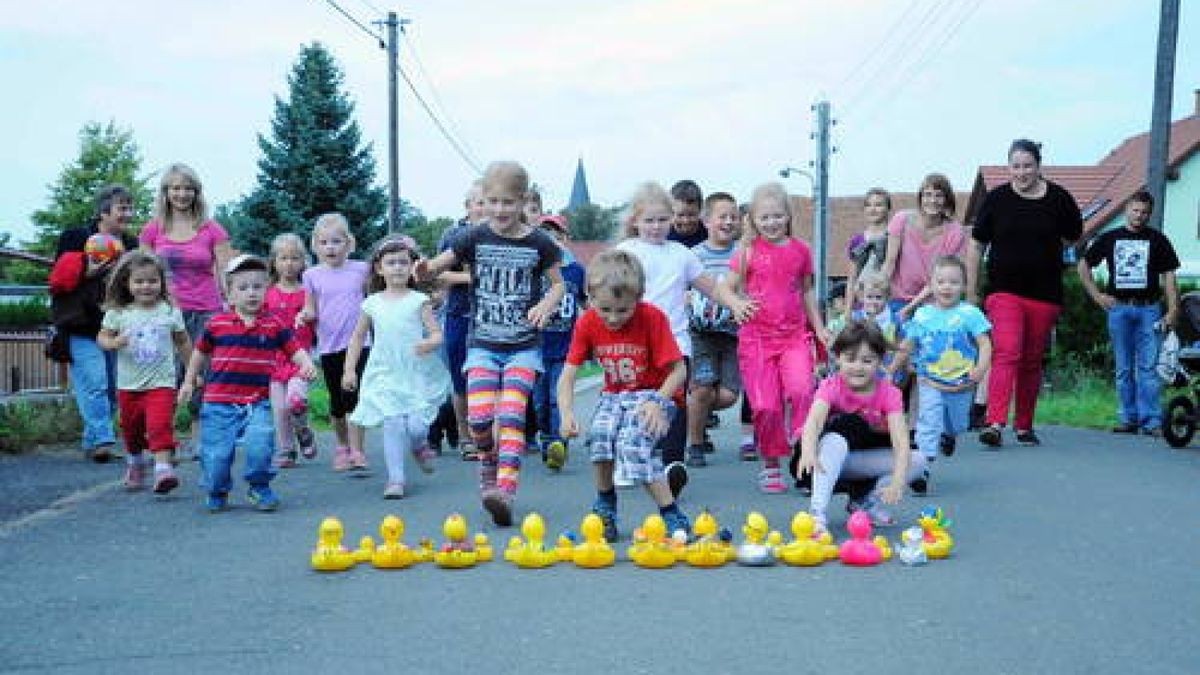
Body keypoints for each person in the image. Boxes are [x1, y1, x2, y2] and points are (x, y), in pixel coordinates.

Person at [415, 161, 565, 527]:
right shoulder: (474, 236)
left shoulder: (539, 243)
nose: (499, 210)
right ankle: (487, 463)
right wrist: (424, 270)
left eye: (508, 202)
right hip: (482, 344)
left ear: (523, 201)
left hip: (524, 347)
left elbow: (559, 284)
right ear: (482, 200)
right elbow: (439, 264)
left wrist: (546, 304)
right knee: (480, 418)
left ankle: (505, 492)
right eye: (492, 201)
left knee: (511, 417)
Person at [557, 249, 692, 542]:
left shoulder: (653, 318)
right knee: (600, 436)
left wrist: (658, 402)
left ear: (639, 298)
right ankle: (605, 505)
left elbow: (679, 371)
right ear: (590, 298)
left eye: (623, 310)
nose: (613, 318)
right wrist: (566, 413)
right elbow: (568, 374)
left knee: (633, 443)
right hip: (614, 396)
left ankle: (671, 513)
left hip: (654, 394)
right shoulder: (588, 322)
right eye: (604, 309)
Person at [615, 181, 729, 498]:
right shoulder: (626, 252)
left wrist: (734, 303)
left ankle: (672, 466)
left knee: (674, 402)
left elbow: (711, 287)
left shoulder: (682, 255)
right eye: (649, 220)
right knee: (632, 401)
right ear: (635, 221)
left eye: (662, 219)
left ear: (672, 220)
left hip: (675, 342)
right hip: (634, 342)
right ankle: (628, 459)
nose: (656, 226)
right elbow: (602, 288)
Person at [966, 139, 1083, 447]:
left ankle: (1024, 425)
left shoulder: (1059, 199)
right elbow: (977, 245)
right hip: (1004, 292)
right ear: (1009, 168)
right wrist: (971, 290)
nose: (1022, 172)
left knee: (1031, 360)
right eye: (1015, 166)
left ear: (1038, 166)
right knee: (1007, 352)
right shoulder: (996, 200)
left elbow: (1073, 237)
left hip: (1044, 295)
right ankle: (994, 422)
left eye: (1027, 166)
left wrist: (1046, 251)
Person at [179, 255, 316, 512]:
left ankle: (259, 486)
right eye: (242, 288)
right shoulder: (217, 324)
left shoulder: (273, 325)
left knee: (261, 444)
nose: (251, 293)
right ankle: (217, 489)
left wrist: (306, 364)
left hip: (257, 401)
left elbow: (294, 349)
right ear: (229, 295)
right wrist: (189, 381)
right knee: (217, 454)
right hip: (219, 402)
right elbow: (199, 353)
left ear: (267, 290)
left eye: (257, 287)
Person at [722, 182, 831, 494]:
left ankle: (801, 439)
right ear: (753, 220)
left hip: (794, 335)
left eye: (777, 216)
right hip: (756, 340)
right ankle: (770, 464)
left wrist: (820, 327)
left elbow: (807, 290)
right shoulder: (746, 253)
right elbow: (724, 288)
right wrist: (737, 304)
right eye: (764, 217)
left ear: (788, 216)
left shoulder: (800, 251)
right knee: (766, 406)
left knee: (801, 390)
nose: (771, 223)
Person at [138, 164, 234, 461]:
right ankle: (162, 441)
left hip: (206, 311)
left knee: (204, 375)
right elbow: (139, 271)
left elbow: (224, 271)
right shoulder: (153, 229)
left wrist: (231, 305)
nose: (182, 194)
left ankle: (199, 438)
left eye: (188, 188)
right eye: (175, 188)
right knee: (166, 375)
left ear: (196, 192)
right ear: (165, 192)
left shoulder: (211, 228)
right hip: (165, 313)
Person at [343, 236, 451, 499]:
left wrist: (429, 343)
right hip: (385, 371)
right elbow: (358, 337)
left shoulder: (418, 300)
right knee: (392, 423)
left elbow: (437, 334)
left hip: (414, 371)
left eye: (403, 262)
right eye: (391, 263)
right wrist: (350, 369)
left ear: (412, 267)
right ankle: (396, 479)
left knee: (415, 426)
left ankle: (419, 445)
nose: (398, 268)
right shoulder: (372, 303)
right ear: (380, 268)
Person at [795, 321, 927, 534]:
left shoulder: (889, 393)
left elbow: (901, 441)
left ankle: (865, 501)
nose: (858, 367)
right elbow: (814, 422)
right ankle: (817, 514)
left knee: (918, 460)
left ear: (880, 361)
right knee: (838, 436)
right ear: (838, 358)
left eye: (867, 360)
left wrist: (898, 480)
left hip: (857, 462)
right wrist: (809, 451)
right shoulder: (831, 386)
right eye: (850, 359)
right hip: (820, 462)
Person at [1078, 190, 1180, 436]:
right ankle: (1127, 418)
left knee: (1148, 367)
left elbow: (1168, 276)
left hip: (1149, 309)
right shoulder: (1110, 238)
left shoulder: (1158, 240)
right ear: (1127, 210)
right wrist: (1097, 295)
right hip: (1119, 309)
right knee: (1124, 367)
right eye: (1135, 210)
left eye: (1144, 212)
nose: (1139, 216)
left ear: (1150, 214)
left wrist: (1173, 309)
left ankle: (1152, 421)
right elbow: (1083, 265)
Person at [50, 184, 139, 463]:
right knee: (95, 383)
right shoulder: (75, 237)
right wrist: (85, 272)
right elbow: (59, 278)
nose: (128, 213)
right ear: (104, 211)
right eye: (121, 208)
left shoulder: (132, 245)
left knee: (113, 388)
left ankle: (92, 439)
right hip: (81, 325)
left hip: (114, 326)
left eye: (129, 207)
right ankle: (102, 439)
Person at [891, 256, 992, 488]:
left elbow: (985, 344)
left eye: (954, 282)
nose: (947, 287)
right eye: (941, 282)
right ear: (932, 286)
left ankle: (950, 434)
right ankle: (921, 469)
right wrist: (892, 369)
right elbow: (908, 344)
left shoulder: (970, 313)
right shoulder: (923, 315)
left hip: (962, 382)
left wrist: (980, 368)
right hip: (930, 380)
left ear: (964, 286)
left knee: (957, 423)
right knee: (928, 420)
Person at [97, 251, 192, 493]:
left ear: (161, 282)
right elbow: (102, 337)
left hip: (162, 382)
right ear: (127, 284)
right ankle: (135, 463)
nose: (146, 286)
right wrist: (114, 342)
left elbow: (182, 341)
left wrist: (192, 371)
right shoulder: (119, 313)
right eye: (139, 281)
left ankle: (163, 470)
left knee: (159, 424)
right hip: (129, 385)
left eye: (152, 281)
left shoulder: (169, 311)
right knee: (132, 430)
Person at [298, 213, 371, 472]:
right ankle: (342, 446)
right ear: (315, 245)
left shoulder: (361, 269)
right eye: (325, 242)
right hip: (329, 344)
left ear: (349, 243)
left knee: (357, 398)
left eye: (337, 241)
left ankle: (358, 450)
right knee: (338, 402)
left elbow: (372, 300)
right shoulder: (311, 275)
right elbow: (310, 308)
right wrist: (305, 315)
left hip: (360, 343)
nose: (331, 247)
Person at [685, 191, 744, 466]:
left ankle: (695, 410)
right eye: (723, 216)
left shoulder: (744, 255)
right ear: (706, 221)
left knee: (730, 395)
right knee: (702, 389)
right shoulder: (693, 256)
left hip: (734, 333)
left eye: (734, 217)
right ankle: (695, 443)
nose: (729, 222)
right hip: (701, 334)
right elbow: (681, 287)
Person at [437, 181, 486, 460]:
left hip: (490, 319)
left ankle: (487, 436)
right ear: (467, 207)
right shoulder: (453, 235)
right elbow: (439, 273)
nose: (483, 208)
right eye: (477, 202)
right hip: (459, 315)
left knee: (488, 380)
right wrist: (474, 278)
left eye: (487, 202)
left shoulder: (499, 237)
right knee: (461, 380)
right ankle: (464, 435)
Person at [532, 213, 586, 470]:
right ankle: (546, 438)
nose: (551, 240)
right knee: (539, 401)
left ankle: (558, 442)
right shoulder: (534, 270)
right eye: (545, 235)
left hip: (566, 347)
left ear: (566, 238)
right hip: (537, 346)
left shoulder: (576, 271)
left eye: (557, 235)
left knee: (557, 397)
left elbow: (587, 303)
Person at [263, 234, 316, 468]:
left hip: (300, 357)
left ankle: (303, 430)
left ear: (303, 261)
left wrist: (307, 315)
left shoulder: (308, 292)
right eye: (283, 258)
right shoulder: (267, 293)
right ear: (274, 261)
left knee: (296, 399)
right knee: (280, 408)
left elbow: (317, 318)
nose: (289, 263)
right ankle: (286, 450)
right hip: (274, 360)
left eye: (295, 258)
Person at [842, 188, 893, 314]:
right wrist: (847, 310)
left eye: (879, 205)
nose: (873, 209)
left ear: (888, 208)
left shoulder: (893, 237)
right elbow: (852, 278)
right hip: (862, 304)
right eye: (869, 205)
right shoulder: (857, 240)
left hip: (888, 303)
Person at [667, 179, 707, 248]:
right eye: (680, 215)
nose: (686, 221)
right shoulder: (662, 235)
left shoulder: (710, 233)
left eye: (691, 215)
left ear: (700, 210)